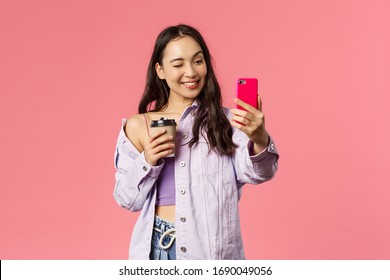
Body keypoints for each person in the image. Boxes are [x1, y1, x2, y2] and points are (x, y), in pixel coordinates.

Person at [113, 24, 279, 260]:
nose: (190, 72)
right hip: (158, 250)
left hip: (211, 252)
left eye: (198, 61)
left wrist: (259, 138)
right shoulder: (139, 125)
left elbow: (259, 173)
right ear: (160, 70)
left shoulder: (228, 122)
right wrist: (147, 161)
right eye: (178, 64)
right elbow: (126, 200)